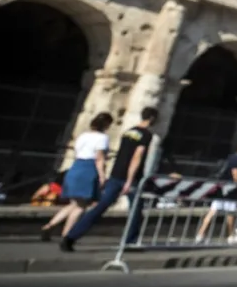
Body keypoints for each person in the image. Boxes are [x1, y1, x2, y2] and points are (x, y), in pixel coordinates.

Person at [59, 106, 157, 251]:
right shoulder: (146, 135)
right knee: (136, 211)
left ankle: (71, 237)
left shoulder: (127, 132)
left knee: (99, 208)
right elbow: (137, 157)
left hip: (116, 174)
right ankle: (129, 242)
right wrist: (130, 180)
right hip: (131, 178)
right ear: (153, 119)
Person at [44, 113, 112, 240]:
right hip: (89, 169)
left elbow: (79, 152)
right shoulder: (102, 138)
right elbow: (99, 158)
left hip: (76, 166)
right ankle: (67, 235)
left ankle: (50, 225)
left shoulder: (83, 136)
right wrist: (102, 176)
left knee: (74, 203)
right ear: (107, 125)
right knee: (81, 205)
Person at [195, 140, 237, 244]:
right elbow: (235, 174)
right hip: (229, 189)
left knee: (213, 212)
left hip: (221, 187)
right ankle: (229, 236)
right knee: (229, 213)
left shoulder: (230, 157)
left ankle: (200, 234)